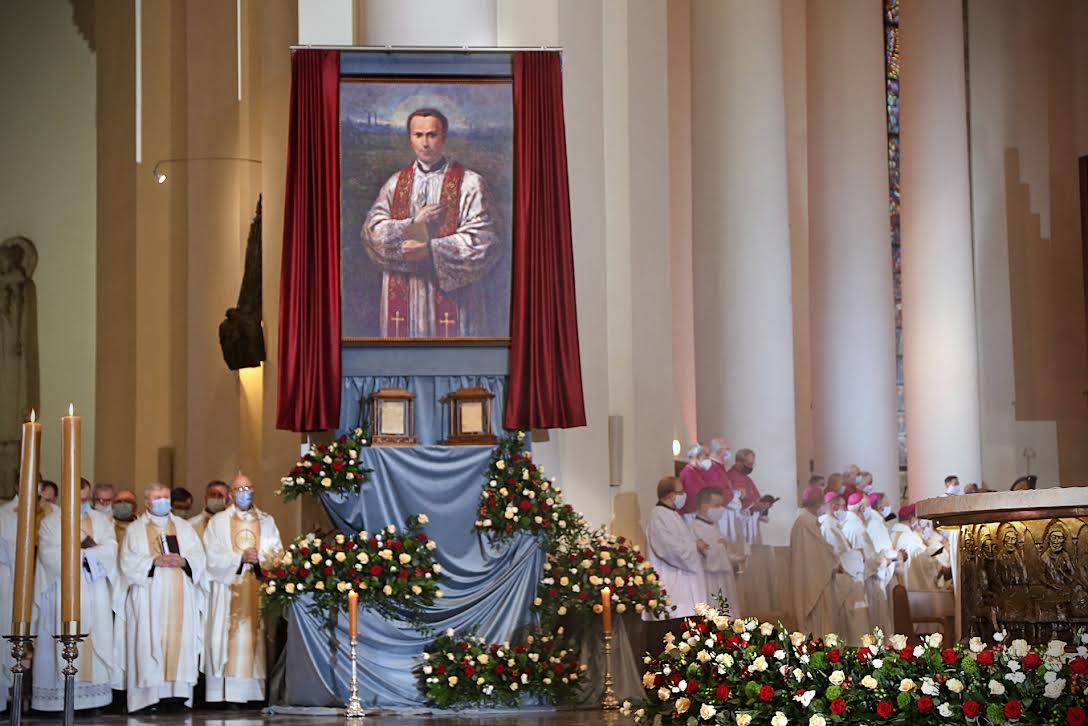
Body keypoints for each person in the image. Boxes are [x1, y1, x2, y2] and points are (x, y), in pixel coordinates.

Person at [362, 108, 503, 338]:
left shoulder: (470, 183)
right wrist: (413, 223)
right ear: (410, 138)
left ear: (444, 137)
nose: (425, 143)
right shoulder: (395, 184)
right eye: (418, 135)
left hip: (455, 297)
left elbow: (484, 240)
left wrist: (431, 250)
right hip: (405, 292)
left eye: (432, 135)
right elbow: (372, 233)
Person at [32, 479, 117, 711]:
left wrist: (80, 554)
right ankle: (57, 702)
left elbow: (110, 549)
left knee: (94, 640)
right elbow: (49, 555)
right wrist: (85, 554)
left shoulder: (101, 521)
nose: (82, 503)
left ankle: (93, 701)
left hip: (94, 589)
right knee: (58, 640)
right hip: (62, 590)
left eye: (85, 499)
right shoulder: (51, 522)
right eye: (77, 499)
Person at [120, 483, 206, 713]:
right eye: (157, 498)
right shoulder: (135, 530)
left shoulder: (184, 528)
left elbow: (199, 557)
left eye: (166, 497)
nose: (163, 502)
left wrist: (184, 561)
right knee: (149, 641)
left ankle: (177, 696)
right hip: (149, 595)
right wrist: (153, 561)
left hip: (181, 595)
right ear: (147, 502)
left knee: (180, 642)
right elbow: (127, 562)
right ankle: (148, 699)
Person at [202, 473, 282, 705]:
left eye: (248, 488)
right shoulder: (218, 522)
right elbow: (210, 556)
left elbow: (277, 553)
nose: (245, 493)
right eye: (239, 489)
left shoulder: (266, 521)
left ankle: (253, 695)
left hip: (257, 585)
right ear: (230, 495)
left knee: (255, 638)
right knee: (226, 638)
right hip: (228, 589)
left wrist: (260, 559)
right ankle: (225, 695)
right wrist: (239, 558)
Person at [643, 476, 707, 647]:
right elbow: (668, 549)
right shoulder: (658, 516)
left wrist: (696, 545)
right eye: (681, 492)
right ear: (671, 495)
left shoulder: (672, 515)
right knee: (672, 642)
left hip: (685, 587)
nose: (683, 495)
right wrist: (694, 546)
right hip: (673, 588)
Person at [789, 486, 841, 638]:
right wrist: (836, 561)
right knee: (818, 619)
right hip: (813, 578)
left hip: (811, 575)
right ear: (818, 503)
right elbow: (820, 553)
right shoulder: (807, 523)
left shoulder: (805, 521)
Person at [818, 492, 870, 643]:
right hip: (843, 578)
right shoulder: (828, 526)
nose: (845, 511)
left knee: (855, 623)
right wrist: (859, 555)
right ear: (834, 506)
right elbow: (836, 556)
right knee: (853, 625)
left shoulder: (834, 524)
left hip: (848, 576)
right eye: (843, 507)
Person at [839, 492, 895, 634]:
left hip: (852, 582)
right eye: (868, 506)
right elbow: (869, 559)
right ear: (862, 508)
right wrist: (885, 561)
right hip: (866, 581)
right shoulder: (858, 528)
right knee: (875, 625)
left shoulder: (844, 525)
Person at [689, 487, 741, 616]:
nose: (721, 509)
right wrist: (720, 547)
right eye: (717, 505)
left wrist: (731, 554)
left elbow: (723, 552)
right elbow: (703, 554)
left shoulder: (714, 526)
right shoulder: (694, 528)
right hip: (709, 581)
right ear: (704, 506)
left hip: (723, 580)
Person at [726, 449, 768, 544]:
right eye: (749, 464)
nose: (751, 467)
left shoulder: (747, 478)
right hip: (741, 524)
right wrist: (752, 507)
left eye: (752, 464)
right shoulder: (730, 477)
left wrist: (764, 504)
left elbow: (757, 497)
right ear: (738, 462)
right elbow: (733, 504)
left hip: (751, 522)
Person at [677, 443, 710, 516]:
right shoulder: (687, 473)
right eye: (706, 455)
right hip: (689, 515)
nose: (708, 458)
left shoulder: (701, 471)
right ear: (697, 456)